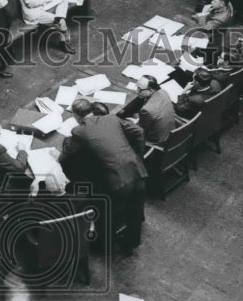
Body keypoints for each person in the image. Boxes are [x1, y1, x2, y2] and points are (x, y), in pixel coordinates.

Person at [59, 99, 147, 252]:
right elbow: (139, 131)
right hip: (137, 171)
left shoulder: (79, 131)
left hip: (116, 183)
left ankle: (105, 245)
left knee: (103, 212)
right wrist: (137, 157)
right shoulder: (112, 118)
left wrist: (67, 143)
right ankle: (131, 243)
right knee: (136, 209)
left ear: (76, 115)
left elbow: (64, 158)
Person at [117, 75, 175, 145]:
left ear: (151, 90)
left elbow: (140, 130)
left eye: (139, 89)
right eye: (137, 87)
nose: (136, 91)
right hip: (168, 131)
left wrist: (134, 122)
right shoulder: (163, 92)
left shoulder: (147, 110)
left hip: (156, 140)